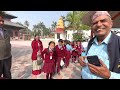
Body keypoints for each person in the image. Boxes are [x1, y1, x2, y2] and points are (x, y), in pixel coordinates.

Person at [79, 11, 120, 79]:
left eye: (103, 21)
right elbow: (85, 56)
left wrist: (109, 75)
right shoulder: (91, 42)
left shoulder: (118, 43)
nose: (98, 25)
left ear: (111, 23)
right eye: (95, 23)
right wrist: (81, 58)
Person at [0, 13, 12, 79]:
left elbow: (8, 42)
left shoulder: (6, 31)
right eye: (0, 21)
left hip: (7, 57)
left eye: (2, 21)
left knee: (7, 73)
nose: (1, 22)